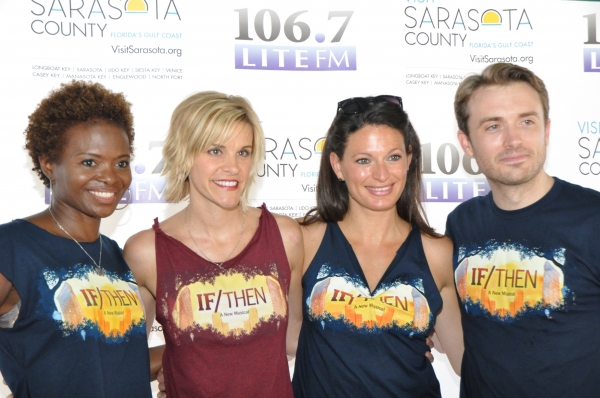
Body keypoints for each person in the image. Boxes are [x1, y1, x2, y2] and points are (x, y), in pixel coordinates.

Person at [124, 91, 303, 397]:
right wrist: (170, 361)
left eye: (243, 152)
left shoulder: (284, 236)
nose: (233, 167)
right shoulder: (147, 252)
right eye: (216, 151)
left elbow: (295, 338)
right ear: (184, 153)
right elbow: (122, 362)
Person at [292, 96, 464, 397]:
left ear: (409, 160)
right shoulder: (304, 241)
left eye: (393, 157)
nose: (381, 174)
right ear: (337, 165)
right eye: (363, 160)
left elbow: (467, 359)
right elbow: (281, 336)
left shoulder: (437, 252)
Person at [447, 62, 600, 397]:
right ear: (467, 142)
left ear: (546, 130)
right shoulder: (461, 224)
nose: (513, 140)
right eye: (492, 127)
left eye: (526, 122)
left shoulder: (593, 218)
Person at [0, 81, 152, 397]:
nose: (111, 176)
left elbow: (116, 365)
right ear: (48, 164)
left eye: (121, 162)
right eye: (89, 162)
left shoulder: (112, 253)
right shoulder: (12, 247)